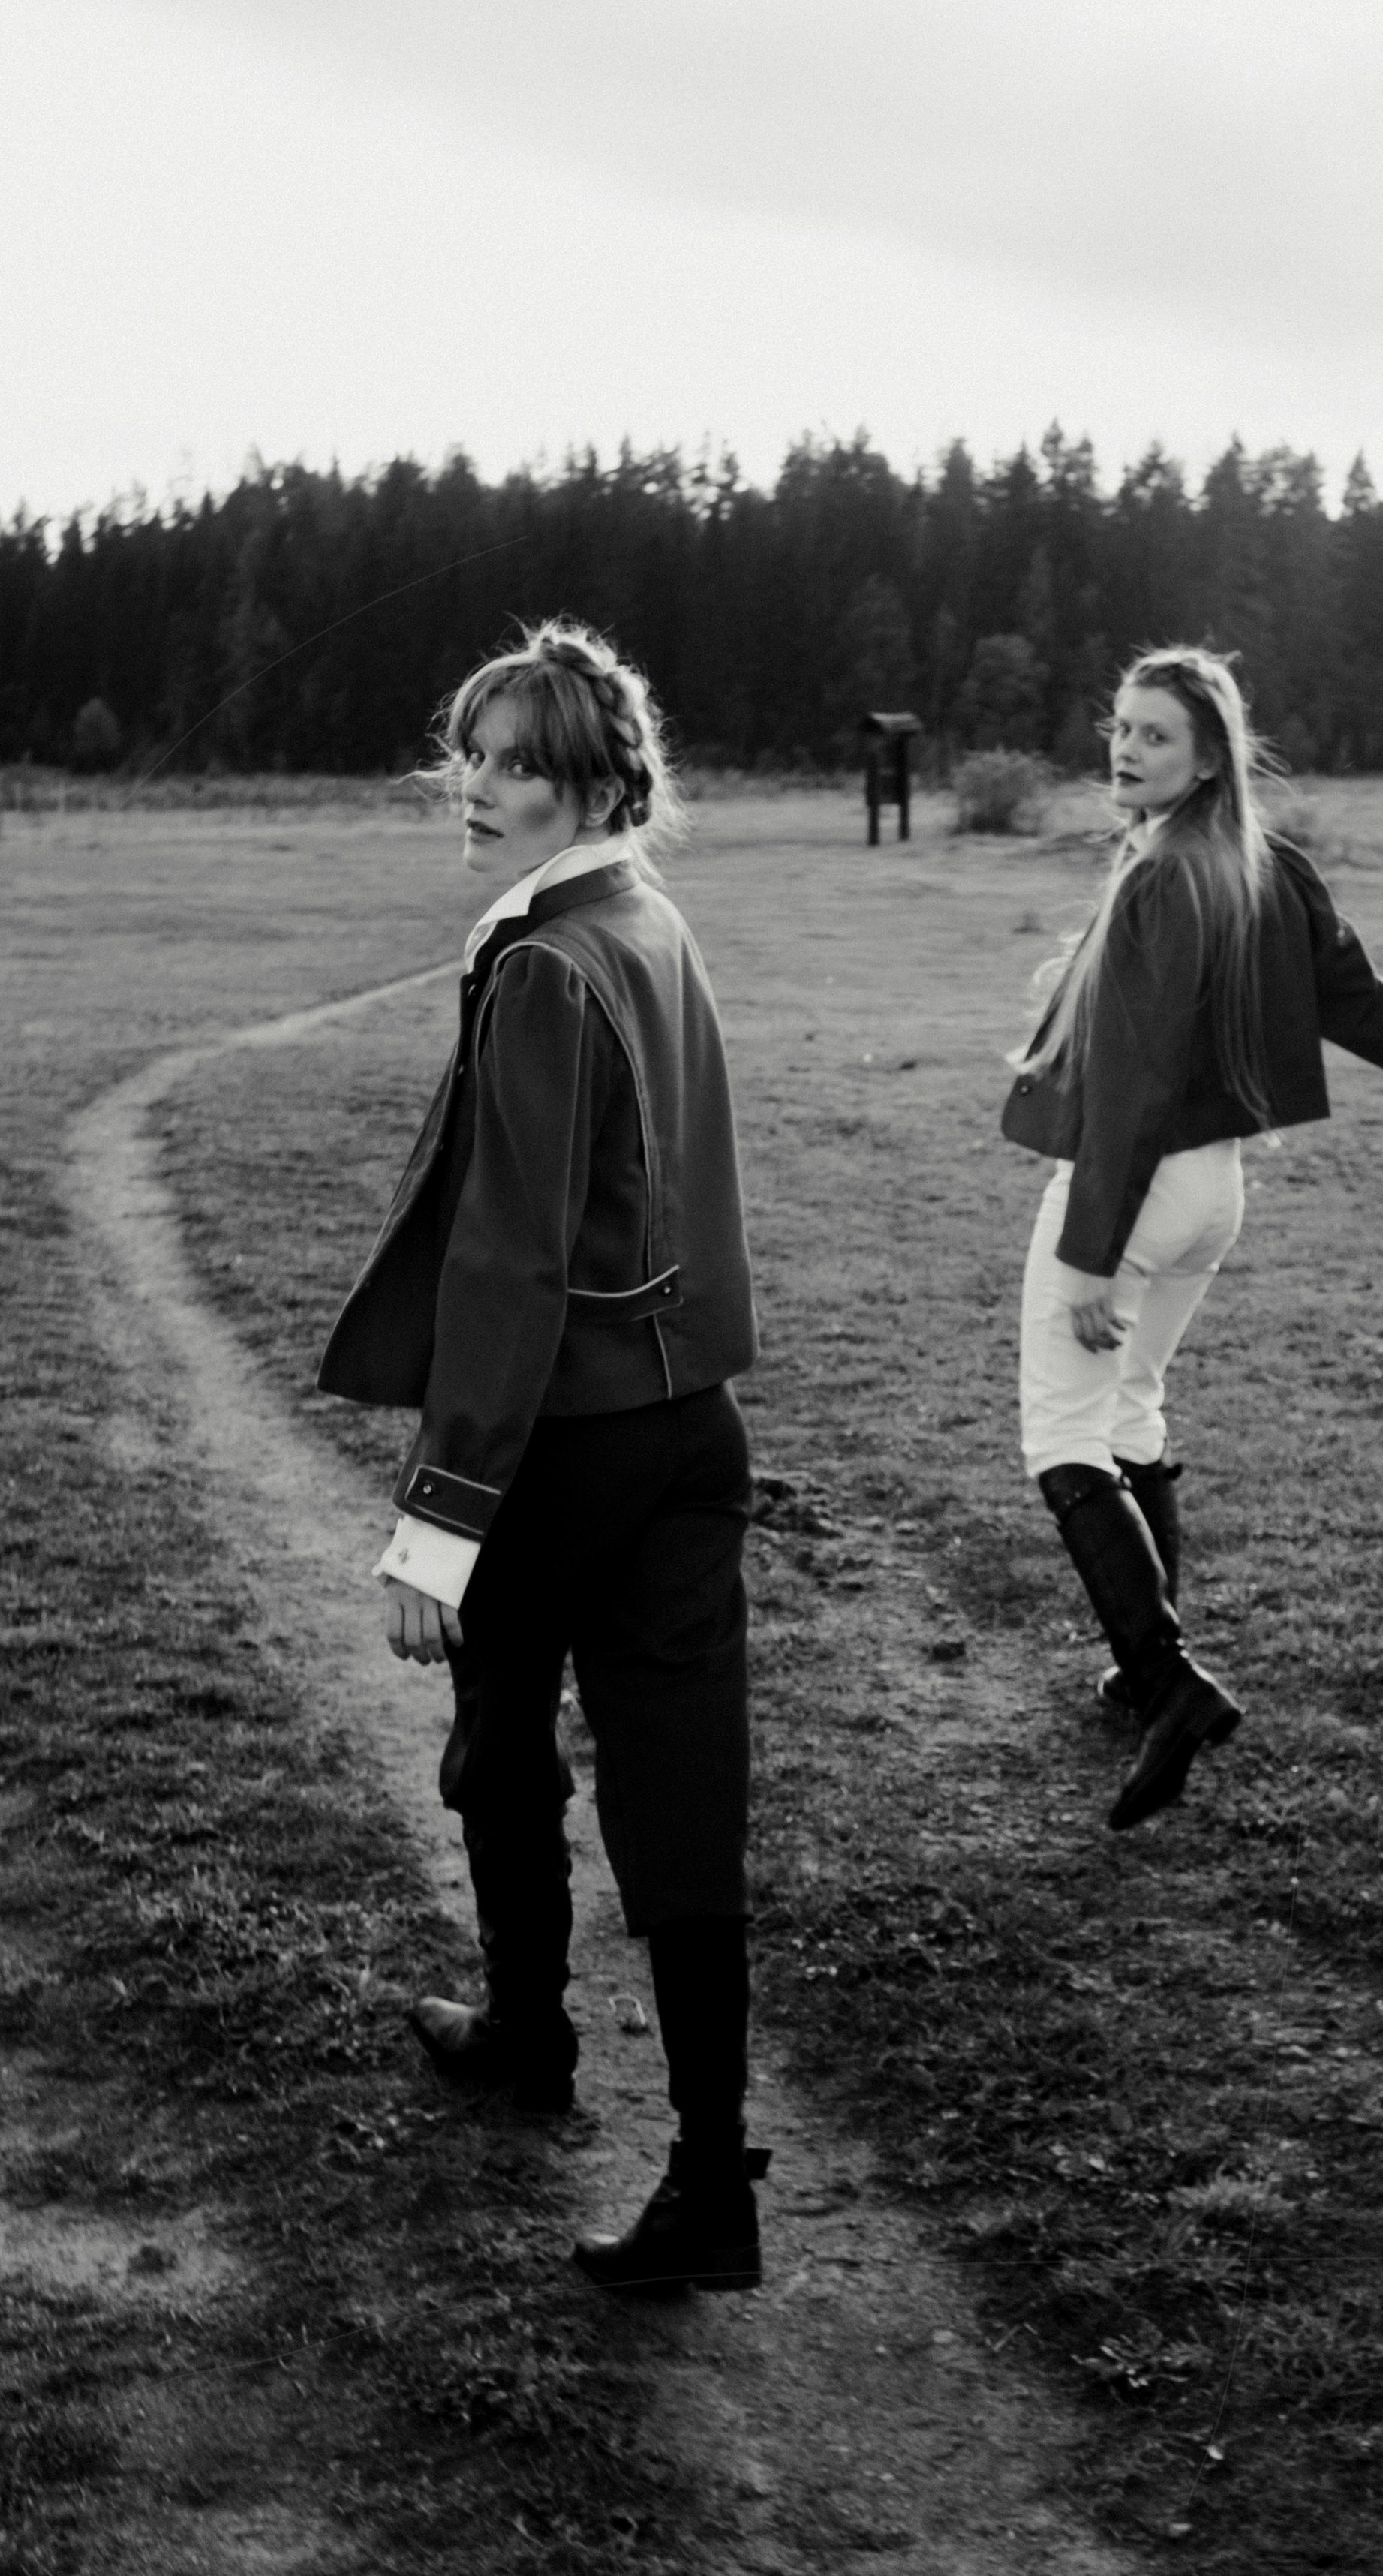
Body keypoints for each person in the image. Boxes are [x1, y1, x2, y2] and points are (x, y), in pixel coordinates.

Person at [317, 618, 768, 2293]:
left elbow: (506, 1265)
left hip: (571, 1441)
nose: (480, 787)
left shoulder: (549, 964)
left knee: (501, 1741)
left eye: (520, 761)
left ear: (596, 780)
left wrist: (437, 1521)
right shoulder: (646, 919)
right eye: (473, 753)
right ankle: (709, 2177)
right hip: (684, 1428)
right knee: (678, 1791)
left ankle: (527, 2031)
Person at [1002, 645, 1383, 1832]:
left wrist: (1093, 1250)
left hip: (1141, 1192)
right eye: (1120, 726)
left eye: (1154, 734)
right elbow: (1362, 1001)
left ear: (1211, 755)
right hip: (1215, 1193)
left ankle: (1168, 1683)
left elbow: (1137, 1082)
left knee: (1062, 1433)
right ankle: (1140, 1673)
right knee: (1132, 1406)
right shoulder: (1260, 861)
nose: (1125, 747)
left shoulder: (1171, 878)